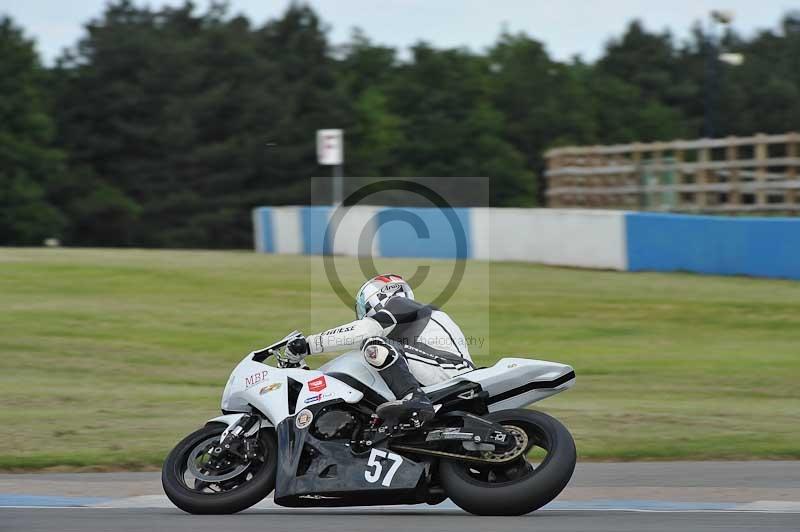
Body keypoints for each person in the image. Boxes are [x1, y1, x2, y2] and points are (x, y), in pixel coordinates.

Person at [284, 274, 474, 425]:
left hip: (447, 370)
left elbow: (362, 331)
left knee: (373, 345)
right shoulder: (412, 322)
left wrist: (308, 345)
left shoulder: (401, 305)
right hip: (443, 371)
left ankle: (415, 399)